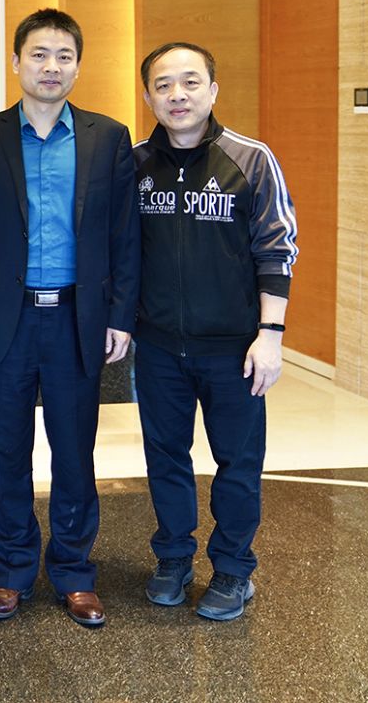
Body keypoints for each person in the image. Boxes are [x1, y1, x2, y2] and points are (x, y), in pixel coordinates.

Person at [0, 8, 139, 629]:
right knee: (6, 450)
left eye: (64, 56)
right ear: (16, 62)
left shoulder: (107, 137)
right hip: (5, 321)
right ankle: (9, 571)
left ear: (78, 66)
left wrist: (120, 316)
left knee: (75, 451)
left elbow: (124, 235)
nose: (51, 66)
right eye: (38, 54)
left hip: (75, 320)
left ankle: (74, 572)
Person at [133, 41, 297, 621]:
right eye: (163, 85)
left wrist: (270, 334)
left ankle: (232, 569)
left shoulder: (251, 159)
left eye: (190, 82)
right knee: (166, 459)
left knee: (238, 463)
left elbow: (277, 249)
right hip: (158, 347)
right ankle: (173, 559)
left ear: (213, 90)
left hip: (235, 349)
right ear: (148, 96)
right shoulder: (134, 164)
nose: (176, 95)